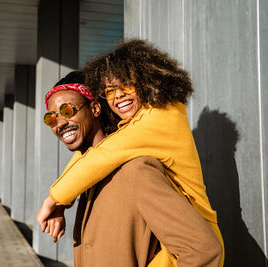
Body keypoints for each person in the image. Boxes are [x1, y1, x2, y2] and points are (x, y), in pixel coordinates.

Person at [37, 39, 224, 266]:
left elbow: (104, 154)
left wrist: (54, 199)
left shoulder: (162, 117)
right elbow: (96, 155)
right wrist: (62, 202)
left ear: (146, 81)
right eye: (110, 91)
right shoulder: (130, 131)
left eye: (126, 85)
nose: (118, 96)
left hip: (192, 230)